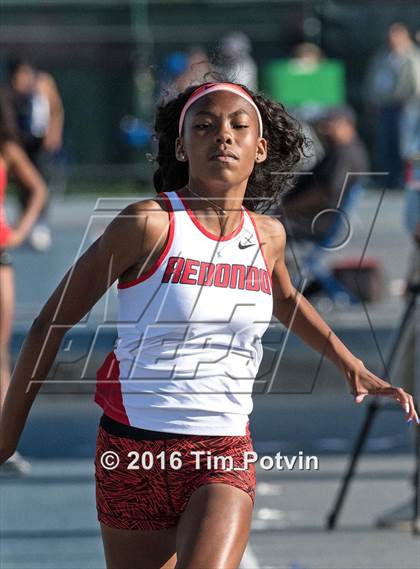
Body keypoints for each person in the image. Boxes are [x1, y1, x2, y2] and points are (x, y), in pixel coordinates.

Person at [0, 80, 418, 568]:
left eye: (238, 127)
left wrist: (350, 363)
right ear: (181, 146)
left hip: (224, 450)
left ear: (259, 149)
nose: (223, 136)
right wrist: (8, 436)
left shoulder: (268, 237)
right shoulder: (148, 224)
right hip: (133, 451)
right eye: (204, 126)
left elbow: (284, 299)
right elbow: (51, 321)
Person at [0, 88, 47, 475]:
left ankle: (4, 445)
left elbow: (36, 189)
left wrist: (18, 231)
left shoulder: (7, 149)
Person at [280, 106, 369, 241]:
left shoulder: (345, 155)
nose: (324, 130)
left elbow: (325, 194)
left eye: (330, 124)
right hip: (310, 217)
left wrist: (287, 209)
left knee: (267, 228)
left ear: (346, 125)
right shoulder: (338, 150)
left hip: (317, 221)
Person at [7, 56, 64, 251]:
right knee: (22, 183)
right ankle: (24, 222)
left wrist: (54, 132)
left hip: (40, 141)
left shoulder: (44, 83)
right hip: (21, 142)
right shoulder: (12, 90)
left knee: (40, 181)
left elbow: (57, 110)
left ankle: (40, 222)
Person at [363, 23, 420, 189]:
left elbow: (416, 83)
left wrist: (409, 100)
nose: (392, 39)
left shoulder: (412, 56)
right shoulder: (382, 56)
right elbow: (372, 80)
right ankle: (387, 178)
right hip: (385, 107)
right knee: (385, 144)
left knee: (405, 145)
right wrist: (371, 100)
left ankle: (405, 179)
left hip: (405, 108)